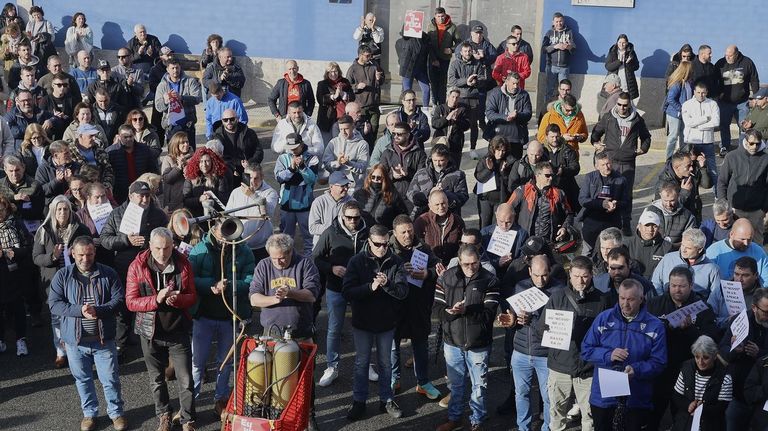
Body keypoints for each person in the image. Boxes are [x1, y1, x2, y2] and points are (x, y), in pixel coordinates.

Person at [48, 235, 128, 431]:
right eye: (81, 255)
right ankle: (89, 414)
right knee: (82, 380)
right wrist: (79, 311)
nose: (85, 259)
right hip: (75, 342)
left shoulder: (108, 273)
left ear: (95, 252)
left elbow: (119, 299)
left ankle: (116, 413)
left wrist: (98, 311)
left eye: (90, 254)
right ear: (72, 253)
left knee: (110, 379)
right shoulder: (62, 275)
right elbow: (54, 304)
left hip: (103, 339)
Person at [125, 227, 197, 431]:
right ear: (149, 245)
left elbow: (192, 295)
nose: (162, 253)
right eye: (158, 248)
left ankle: (187, 419)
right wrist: (156, 300)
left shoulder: (183, 263)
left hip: (178, 329)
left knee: (185, 380)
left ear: (172, 245)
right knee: (157, 380)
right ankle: (164, 415)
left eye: (166, 248)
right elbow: (131, 302)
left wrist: (179, 299)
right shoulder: (137, 266)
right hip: (150, 331)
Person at [581, 279, 667, 431]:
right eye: (622, 298)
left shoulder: (655, 326)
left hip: (636, 397)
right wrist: (608, 354)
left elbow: (659, 362)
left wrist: (637, 370)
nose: (625, 304)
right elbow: (586, 350)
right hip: (603, 398)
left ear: (641, 299)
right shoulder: (604, 318)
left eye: (631, 299)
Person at [188, 220, 255, 417]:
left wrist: (231, 285)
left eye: (230, 233)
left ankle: (221, 398)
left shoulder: (244, 251)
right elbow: (190, 279)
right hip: (204, 315)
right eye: (222, 233)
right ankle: (190, 401)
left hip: (230, 316)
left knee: (225, 362)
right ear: (214, 230)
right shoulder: (199, 249)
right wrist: (211, 285)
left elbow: (251, 280)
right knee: (197, 362)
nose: (226, 239)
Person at [343, 224, 407, 421]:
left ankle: (386, 400)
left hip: (386, 323)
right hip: (363, 322)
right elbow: (347, 292)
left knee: (386, 364)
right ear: (369, 242)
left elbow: (403, 292)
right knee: (361, 363)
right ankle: (359, 402)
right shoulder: (356, 262)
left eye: (386, 244)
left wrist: (387, 285)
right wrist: (370, 287)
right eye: (378, 244)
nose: (382, 248)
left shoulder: (395, 261)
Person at [539, 256, 610, 431]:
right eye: (576, 276)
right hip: (560, 366)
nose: (581, 281)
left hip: (588, 368)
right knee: (556, 414)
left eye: (585, 276)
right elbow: (541, 328)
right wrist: (554, 330)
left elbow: (608, 333)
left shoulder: (602, 300)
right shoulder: (557, 297)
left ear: (591, 275)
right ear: (570, 274)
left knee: (589, 416)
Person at [434, 244, 499, 431]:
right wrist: (449, 312)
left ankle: (476, 421)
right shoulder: (446, 278)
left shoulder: (490, 280)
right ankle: (454, 419)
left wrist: (466, 310)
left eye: (475, 263)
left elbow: (489, 313)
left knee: (479, 386)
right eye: (466, 264)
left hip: (478, 343)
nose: (471, 268)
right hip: (452, 341)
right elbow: (436, 308)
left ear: (479, 260)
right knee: (456, 385)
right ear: (459, 262)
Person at [646, 266, 719, 431]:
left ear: (691, 285)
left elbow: (711, 339)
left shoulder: (702, 308)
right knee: (653, 416)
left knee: (682, 418)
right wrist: (669, 327)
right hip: (660, 370)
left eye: (682, 286)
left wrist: (690, 329)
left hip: (688, 372)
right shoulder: (654, 304)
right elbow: (645, 331)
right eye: (673, 285)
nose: (677, 290)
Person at [100, 181, 169, 355]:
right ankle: (120, 346)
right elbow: (105, 239)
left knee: (151, 303)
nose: (145, 199)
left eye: (147, 195)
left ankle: (155, 344)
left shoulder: (158, 214)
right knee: (124, 307)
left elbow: (166, 237)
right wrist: (125, 241)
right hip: (125, 266)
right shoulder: (117, 214)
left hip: (151, 267)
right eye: (141, 196)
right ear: (131, 196)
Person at [498, 256, 563, 431]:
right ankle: (523, 427)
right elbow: (514, 315)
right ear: (529, 272)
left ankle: (547, 428)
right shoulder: (521, 287)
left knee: (549, 397)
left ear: (550, 271)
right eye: (536, 275)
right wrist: (511, 320)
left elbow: (558, 325)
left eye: (544, 275)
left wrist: (533, 318)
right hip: (520, 351)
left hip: (545, 354)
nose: (541, 280)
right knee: (521, 394)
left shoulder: (559, 291)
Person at [313, 201, 368, 386]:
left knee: (364, 327)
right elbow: (316, 257)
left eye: (356, 217)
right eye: (349, 217)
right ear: (342, 217)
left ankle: (367, 364)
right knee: (334, 329)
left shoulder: (367, 230)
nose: (353, 221)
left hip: (360, 288)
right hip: (336, 288)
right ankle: (332, 366)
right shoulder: (330, 232)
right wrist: (332, 268)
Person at [388, 214, 441, 399]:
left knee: (420, 345)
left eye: (410, 231)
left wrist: (427, 273)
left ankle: (423, 382)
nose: (407, 235)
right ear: (394, 233)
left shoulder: (424, 248)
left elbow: (438, 269)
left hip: (419, 307)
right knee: (392, 345)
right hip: (395, 307)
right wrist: (400, 272)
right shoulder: (387, 250)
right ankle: (394, 379)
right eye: (403, 232)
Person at [591, 91, 651, 234]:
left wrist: (643, 149)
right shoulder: (609, 117)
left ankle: (625, 223)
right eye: (619, 104)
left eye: (625, 105)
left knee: (626, 194)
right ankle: (606, 220)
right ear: (616, 103)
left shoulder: (637, 120)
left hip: (628, 162)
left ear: (629, 105)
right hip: (610, 161)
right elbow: (596, 132)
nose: (622, 108)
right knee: (606, 190)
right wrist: (595, 143)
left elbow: (646, 137)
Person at [718, 288, 768, 430]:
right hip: (738, 390)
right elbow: (723, 350)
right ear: (754, 308)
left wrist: (760, 354)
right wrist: (735, 350)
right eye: (765, 312)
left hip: (763, 396)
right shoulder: (739, 320)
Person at [717, 129, 768, 244]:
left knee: (756, 243)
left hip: (756, 211)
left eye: (757, 144)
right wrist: (724, 205)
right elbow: (722, 182)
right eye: (751, 143)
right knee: (734, 241)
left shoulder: (766, 159)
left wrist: (764, 209)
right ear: (745, 141)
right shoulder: (732, 156)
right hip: (735, 209)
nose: (754, 147)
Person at [671, 335, 732, 431]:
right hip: (684, 423)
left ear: (715, 356)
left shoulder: (725, 377)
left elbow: (722, 406)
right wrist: (688, 405)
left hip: (710, 425)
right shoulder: (686, 369)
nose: (700, 362)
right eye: (697, 357)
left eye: (706, 358)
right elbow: (677, 396)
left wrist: (703, 409)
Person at [508, 161, 573, 247]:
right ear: (537, 176)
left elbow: (570, 214)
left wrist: (564, 227)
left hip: (548, 242)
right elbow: (506, 210)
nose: (551, 178)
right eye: (547, 175)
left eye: (552, 175)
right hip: (525, 241)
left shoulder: (559, 193)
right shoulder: (522, 191)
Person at [274, 133, 319, 256]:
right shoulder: (282, 158)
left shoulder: (312, 158)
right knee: (286, 237)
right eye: (290, 147)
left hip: (305, 205)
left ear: (302, 144)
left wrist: (303, 167)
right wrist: (291, 169)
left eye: (295, 147)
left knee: (309, 236)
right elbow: (279, 178)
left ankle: (310, 261)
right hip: (287, 204)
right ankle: (287, 261)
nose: (292, 150)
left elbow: (312, 179)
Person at [578, 151, 629, 253]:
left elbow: (626, 201)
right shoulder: (590, 178)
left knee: (612, 251)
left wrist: (616, 204)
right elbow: (582, 199)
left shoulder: (621, 179)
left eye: (608, 163)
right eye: (603, 165)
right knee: (588, 250)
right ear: (597, 166)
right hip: (592, 220)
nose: (607, 167)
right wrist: (601, 204)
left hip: (612, 220)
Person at [0, 194, 33, 356]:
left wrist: (14, 252)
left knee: (18, 307)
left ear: (7, 209)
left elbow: (28, 246)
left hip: (15, 272)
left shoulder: (17, 224)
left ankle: (21, 339)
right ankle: (1, 340)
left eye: (1, 209)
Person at [447, 42, 492, 159]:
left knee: (473, 124)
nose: (467, 53)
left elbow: (483, 78)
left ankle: (473, 148)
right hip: (460, 98)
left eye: (469, 51)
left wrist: (475, 82)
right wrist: (466, 81)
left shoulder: (477, 63)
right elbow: (452, 80)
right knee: (456, 123)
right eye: (465, 51)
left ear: (472, 51)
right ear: (461, 52)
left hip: (473, 97)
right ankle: (456, 147)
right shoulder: (455, 64)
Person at [224, 162, 277, 260]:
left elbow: (268, 213)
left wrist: (252, 195)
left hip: (261, 247)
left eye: (256, 178)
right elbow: (229, 215)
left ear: (262, 177)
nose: (252, 181)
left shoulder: (270, 192)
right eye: (250, 177)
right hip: (241, 245)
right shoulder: (236, 192)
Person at [715, 45, 759, 156]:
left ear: (736, 54)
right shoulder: (720, 63)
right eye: (726, 55)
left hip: (742, 102)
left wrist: (756, 98)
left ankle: (742, 148)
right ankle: (725, 146)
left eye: (730, 56)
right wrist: (715, 97)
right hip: (724, 102)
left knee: (744, 126)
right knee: (724, 125)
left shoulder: (747, 62)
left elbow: (754, 80)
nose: (727, 58)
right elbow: (714, 81)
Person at [407, 143, 468, 219]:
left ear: (448, 159)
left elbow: (463, 197)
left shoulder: (458, 175)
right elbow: (410, 194)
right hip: (423, 216)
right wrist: (429, 193)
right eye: (435, 160)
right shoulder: (421, 173)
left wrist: (444, 194)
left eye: (441, 160)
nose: (437, 164)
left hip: (449, 216)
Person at [154, 58, 202, 148]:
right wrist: (165, 101)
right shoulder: (162, 85)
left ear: (180, 68)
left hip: (187, 123)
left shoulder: (190, 81)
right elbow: (158, 107)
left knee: (190, 154)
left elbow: (198, 98)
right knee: (173, 154)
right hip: (171, 125)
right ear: (167, 69)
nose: (175, 70)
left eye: (177, 68)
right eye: (172, 68)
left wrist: (182, 98)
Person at [706, 218, 768, 287]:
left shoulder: (758, 251)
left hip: (751, 294)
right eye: (742, 239)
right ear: (731, 234)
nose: (746, 243)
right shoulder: (714, 251)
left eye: (749, 239)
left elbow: (766, 281)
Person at [484, 71, 532, 159]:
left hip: (516, 137)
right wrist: (505, 117)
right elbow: (490, 113)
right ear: (506, 82)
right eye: (513, 83)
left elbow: (528, 114)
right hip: (497, 136)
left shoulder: (524, 95)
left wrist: (517, 115)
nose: (515, 86)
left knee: (514, 166)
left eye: (517, 84)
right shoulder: (496, 93)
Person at [378, 122, 427, 209]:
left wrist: (408, 173)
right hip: (391, 197)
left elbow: (423, 177)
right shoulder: (387, 153)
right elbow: (380, 175)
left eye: (399, 134)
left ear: (408, 135)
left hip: (411, 198)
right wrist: (392, 175)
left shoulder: (419, 153)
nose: (395, 136)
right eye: (394, 133)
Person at [656, 150, 711, 222]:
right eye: (688, 166)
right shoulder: (664, 183)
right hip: (677, 222)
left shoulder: (690, 172)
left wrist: (703, 168)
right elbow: (667, 208)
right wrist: (684, 192)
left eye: (691, 165)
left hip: (694, 215)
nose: (691, 168)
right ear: (677, 167)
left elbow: (706, 185)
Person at [681, 82, 719, 186]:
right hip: (691, 142)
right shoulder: (687, 105)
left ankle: (718, 197)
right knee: (687, 170)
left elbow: (716, 122)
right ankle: (688, 195)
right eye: (698, 92)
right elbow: (688, 123)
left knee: (713, 170)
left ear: (707, 92)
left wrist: (699, 127)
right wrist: (706, 118)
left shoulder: (713, 104)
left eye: (703, 93)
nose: (700, 95)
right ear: (694, 92)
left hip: (707, 143)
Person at [107, 125, 156, 203]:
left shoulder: (144, 149)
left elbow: (153, 168)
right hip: (120, 193)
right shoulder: (111, 152)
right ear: (119, 137)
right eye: (125, 137)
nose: (129, 139)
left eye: (131, 136)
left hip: (141, 189)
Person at [413, 189, 465, 264]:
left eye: (443, 203)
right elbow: (417, 247)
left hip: (452, 264)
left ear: (447, 203)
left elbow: (463, 245)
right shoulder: (421, 222)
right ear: (430, 206)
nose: (441, 207)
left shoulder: (457, 221)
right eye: (437, 204)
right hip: (429, 265)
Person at [474, 136, 516, 228]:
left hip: (500, 198)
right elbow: (479, 177)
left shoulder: (510, 162)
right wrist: (489, 170)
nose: (500, 153)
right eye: (498, 150)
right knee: (485, 223)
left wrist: (504, 173)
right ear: (493, 149)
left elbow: (511, 183)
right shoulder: (486, 160)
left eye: (503, 151)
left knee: (498, 225)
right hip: (486, 197)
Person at [322, 115, 369, 191]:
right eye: (341, 129)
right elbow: (326, 164)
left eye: (346, 129)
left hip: (355, 187)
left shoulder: (362, 144)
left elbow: (363, 167)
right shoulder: (333, 142)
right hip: (336, 186)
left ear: (353, 127)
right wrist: (338, 162)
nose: (343, 132)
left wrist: (349, 163)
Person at [211, 107, 261, 180]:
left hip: (248, 170)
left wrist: (250, 162)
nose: (229, 122)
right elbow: (217, 156)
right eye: (225, 120)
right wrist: (233, 166)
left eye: (232, 119)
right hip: (228, 173)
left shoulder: (249, 133)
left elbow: (259, 151)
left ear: (237, 119)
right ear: (222, 121)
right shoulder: (217, 137)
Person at [353, 164, 407, 230]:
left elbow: (402, 215)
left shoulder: (393, 195)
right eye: (373, 177)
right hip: (362, 232)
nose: (375, 180)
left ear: (384, 178)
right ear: (369, 177)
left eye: (379, 178)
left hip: (383, 234)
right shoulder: (360, 194)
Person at [346, 46, 383, 140]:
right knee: (362, 132)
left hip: (374, 105)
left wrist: (379, 78)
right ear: (360, 55)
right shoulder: (352, 69)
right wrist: (356, 86)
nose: (370, 57)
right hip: (360, 108)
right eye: (367, 55)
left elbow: (382, 80)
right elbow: (346, 87)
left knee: (374, 131)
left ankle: (372, 151)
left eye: (370, 55)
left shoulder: (374, 65)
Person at [648, 180, 697, 250]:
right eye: (665, 200)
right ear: (660, 195)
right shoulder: (650, 212)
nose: (668, 204)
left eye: (672, 200)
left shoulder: (687, 216)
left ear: (678, 196)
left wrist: (673, 247)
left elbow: (690, 239)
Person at [182, 147, 230, 218]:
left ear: (212, 162)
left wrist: (211, 199)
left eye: (207, 161)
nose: (204, 164)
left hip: (215, 217)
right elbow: (185, 201)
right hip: (196, 217)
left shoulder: (220, 179)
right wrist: (199, 199)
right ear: (197, 163)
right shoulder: (191, 178)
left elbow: (224, 201)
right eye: (201, 161)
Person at [308, 170, 353, 246]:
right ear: (331, 186)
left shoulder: (352, 202)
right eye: (342, 186)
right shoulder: (319, 202)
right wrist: (335, 229)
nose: (346, 188)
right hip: (322, 246)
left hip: (344, 246)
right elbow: (313, 228)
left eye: (347, 185)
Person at [426, 7, 459, 106]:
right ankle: (434, 103)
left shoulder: (452, 27)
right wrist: (433, 59)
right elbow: (428, 43)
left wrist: (451, 49)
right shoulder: (430, 26)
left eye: (442, 16)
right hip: (432, 57)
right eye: (438, 16)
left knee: (442, 82)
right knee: (433, 81)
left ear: (445, 15)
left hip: (444, 58)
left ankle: (441, 104)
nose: (441, 18)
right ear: (435, 17)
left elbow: (459, 42)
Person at [315, 62, 354, 144]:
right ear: (327, 73)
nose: (333, 74)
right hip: (327, 119)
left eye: (335, 71)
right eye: (330, 72)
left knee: (342, 143)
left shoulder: (345, 82)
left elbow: (352, 97)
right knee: (327, 144)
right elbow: (320, 99)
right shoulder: (322, 84)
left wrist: (343, 94)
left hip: (342, 118)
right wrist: (334, 96)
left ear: (339, 71)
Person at [68, 123, 114, 192]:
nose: (94, 138)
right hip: (79, 191)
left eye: (95, 136)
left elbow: (108, 170)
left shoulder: (100, 151)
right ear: (81, 136)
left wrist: (106, 186)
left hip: (99, 190)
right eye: (91, 136)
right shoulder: (70, 152)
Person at [431, 89, 471, 164]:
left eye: (457, 97)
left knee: (454, 166)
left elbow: (466, 126)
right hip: (441, 143)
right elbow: (434, 124)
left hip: (455, 144)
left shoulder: (462, 110)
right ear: (448, 97)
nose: (454, 99)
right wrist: (446, 118)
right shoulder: (440, 108)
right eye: (452, 97)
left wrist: (457, 120)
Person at [542, 12, 575, 100]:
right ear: (553, 22)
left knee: (564, 91)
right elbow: (543, 49)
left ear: (563, 21)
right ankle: (547, 111)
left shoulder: (569, 32)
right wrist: (555, 46)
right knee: (549, 90)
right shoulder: (549, 33)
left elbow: (574, 49)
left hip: (564, 68)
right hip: (551, 66)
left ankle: (563, 110)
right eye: (556, 21)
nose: (558, 23)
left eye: (560, 21)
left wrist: (568, 47)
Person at [665, 61, 694, 157]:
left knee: (684, 135)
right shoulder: (677, 84)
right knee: (673, 136)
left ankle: (682, 155)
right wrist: (681, 109)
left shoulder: (689, 83)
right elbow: (670, 99)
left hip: (684, 114)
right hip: (675, 114)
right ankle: (668, 158)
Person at [395, 25, 429, 107]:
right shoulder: (401, 42)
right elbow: (401, 56)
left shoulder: (421, 39)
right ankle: (407, 109)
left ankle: (425, 109)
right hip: (408, 69)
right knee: (407, 92)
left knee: (426, 89)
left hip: (419, 69)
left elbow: (427, 47)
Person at [159, 132, 192, 213]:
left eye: (187, 142)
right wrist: (179, 167)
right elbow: (167, 179)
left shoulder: (194, 157)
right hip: (173, 201)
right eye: (182, 142)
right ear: (176, 144)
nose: (186, 144)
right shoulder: (168, 159)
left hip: (190, 199)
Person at [605, 34, 640, 100]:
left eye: (623, 42)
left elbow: (636, 67)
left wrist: (628, 63)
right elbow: (608, 67)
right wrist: (619, 62)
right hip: (614, 83)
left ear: (627, 43)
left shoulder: (631, 52)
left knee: (627, 104)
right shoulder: (613, 51)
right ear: (617, 42)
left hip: (627, 83)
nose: (621, 44)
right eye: (620, 42)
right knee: (614, 103)